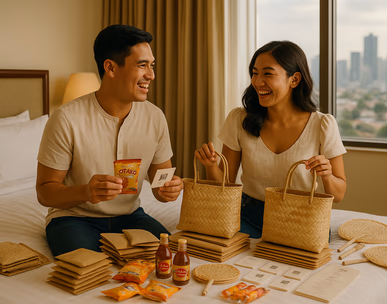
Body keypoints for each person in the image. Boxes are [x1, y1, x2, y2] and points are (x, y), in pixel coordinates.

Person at [36, 24, 183, 256]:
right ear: (111, 67)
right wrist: (86, 192)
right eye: (142, 65)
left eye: (151, 66)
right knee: (89, 270)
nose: (151, 75)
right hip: (74, 217)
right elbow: (45, 192)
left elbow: (159, 186)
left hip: (131, 216)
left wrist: (168, 190)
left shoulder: (155, 117)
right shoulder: (66, 118)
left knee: (170, 256)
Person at [196, 41, 346, 239]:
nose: (258, 82)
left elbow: (339, 195)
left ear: (294, 79)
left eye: (268, 74)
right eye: (255, 73)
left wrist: (327, 175)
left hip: (302, 219)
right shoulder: (239, 119)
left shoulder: (322, 124)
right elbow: (225, 185)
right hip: (247, 216)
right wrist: (210, 165)